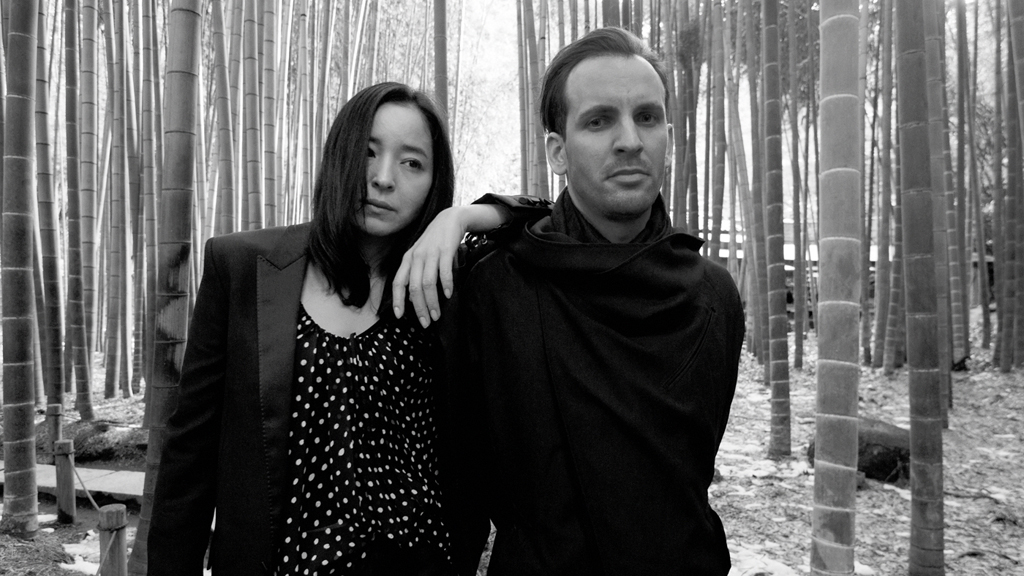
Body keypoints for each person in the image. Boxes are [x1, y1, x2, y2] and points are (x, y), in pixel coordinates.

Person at [146, 82, 541, 576]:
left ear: (434, 183)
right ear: (339, 154)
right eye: (368, 152)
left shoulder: (446, 283)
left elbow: (547, 221)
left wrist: (460, 217)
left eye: (412, 163)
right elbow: (189, 457)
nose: (383, 179)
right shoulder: (243, 267)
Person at [413, 27, 745, 576]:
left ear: (668, 135)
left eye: (647, 117)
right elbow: (461, 491)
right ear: (557, 152)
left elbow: (691, 472)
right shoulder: (493, 290)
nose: (629, 140)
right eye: (599, 121)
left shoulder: (713, 295)